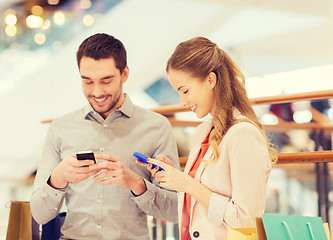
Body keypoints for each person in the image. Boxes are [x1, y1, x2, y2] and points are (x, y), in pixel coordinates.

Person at [30, 33, 180, 240]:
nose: (97, 92)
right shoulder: (60, 129)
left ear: (124, 74)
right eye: (88, 81)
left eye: (106, 81)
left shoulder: (157, 127)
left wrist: (137, 184)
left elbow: (175, 211)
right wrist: (58, 178)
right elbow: (39, 214)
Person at [145, 37, 277, 240]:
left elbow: (247, 221)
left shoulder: (243, 134)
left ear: (210, 80)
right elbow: (201, 199)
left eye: (185, 91)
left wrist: (188, 185)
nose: (182, 101)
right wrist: (178, 177)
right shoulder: (202, 132)